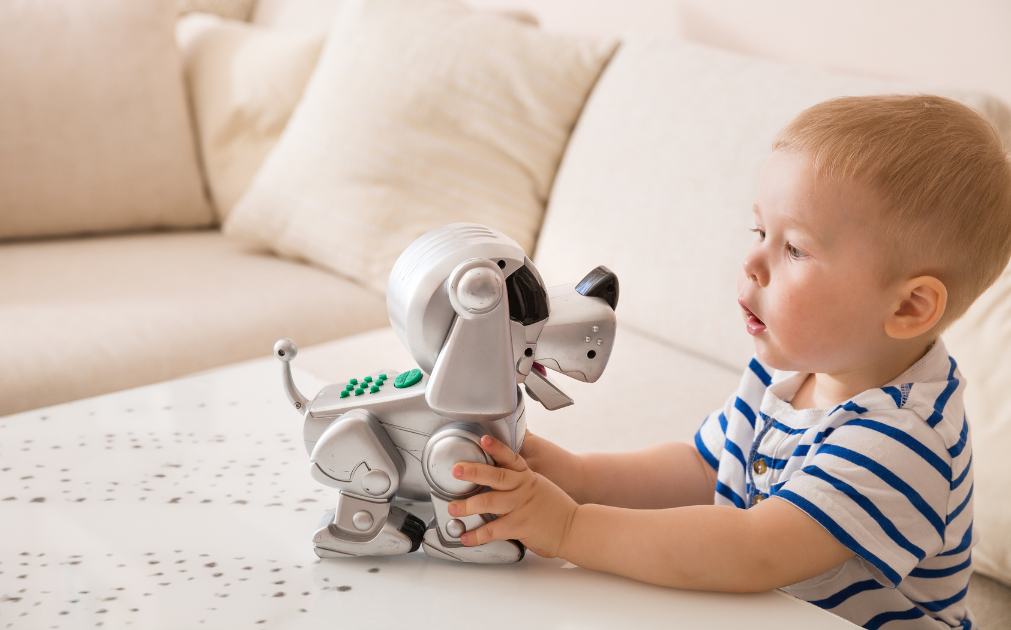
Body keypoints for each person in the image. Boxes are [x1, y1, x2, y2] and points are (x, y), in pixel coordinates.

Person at [445, 95, 1011, 630]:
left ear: (909, 307)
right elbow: (703, 467)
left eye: (794, 249)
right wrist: (579, 477)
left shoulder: (903, 440)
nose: (752, 262)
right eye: (760, 231)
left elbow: (753, 550)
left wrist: (569, 527)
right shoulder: (789, 368)